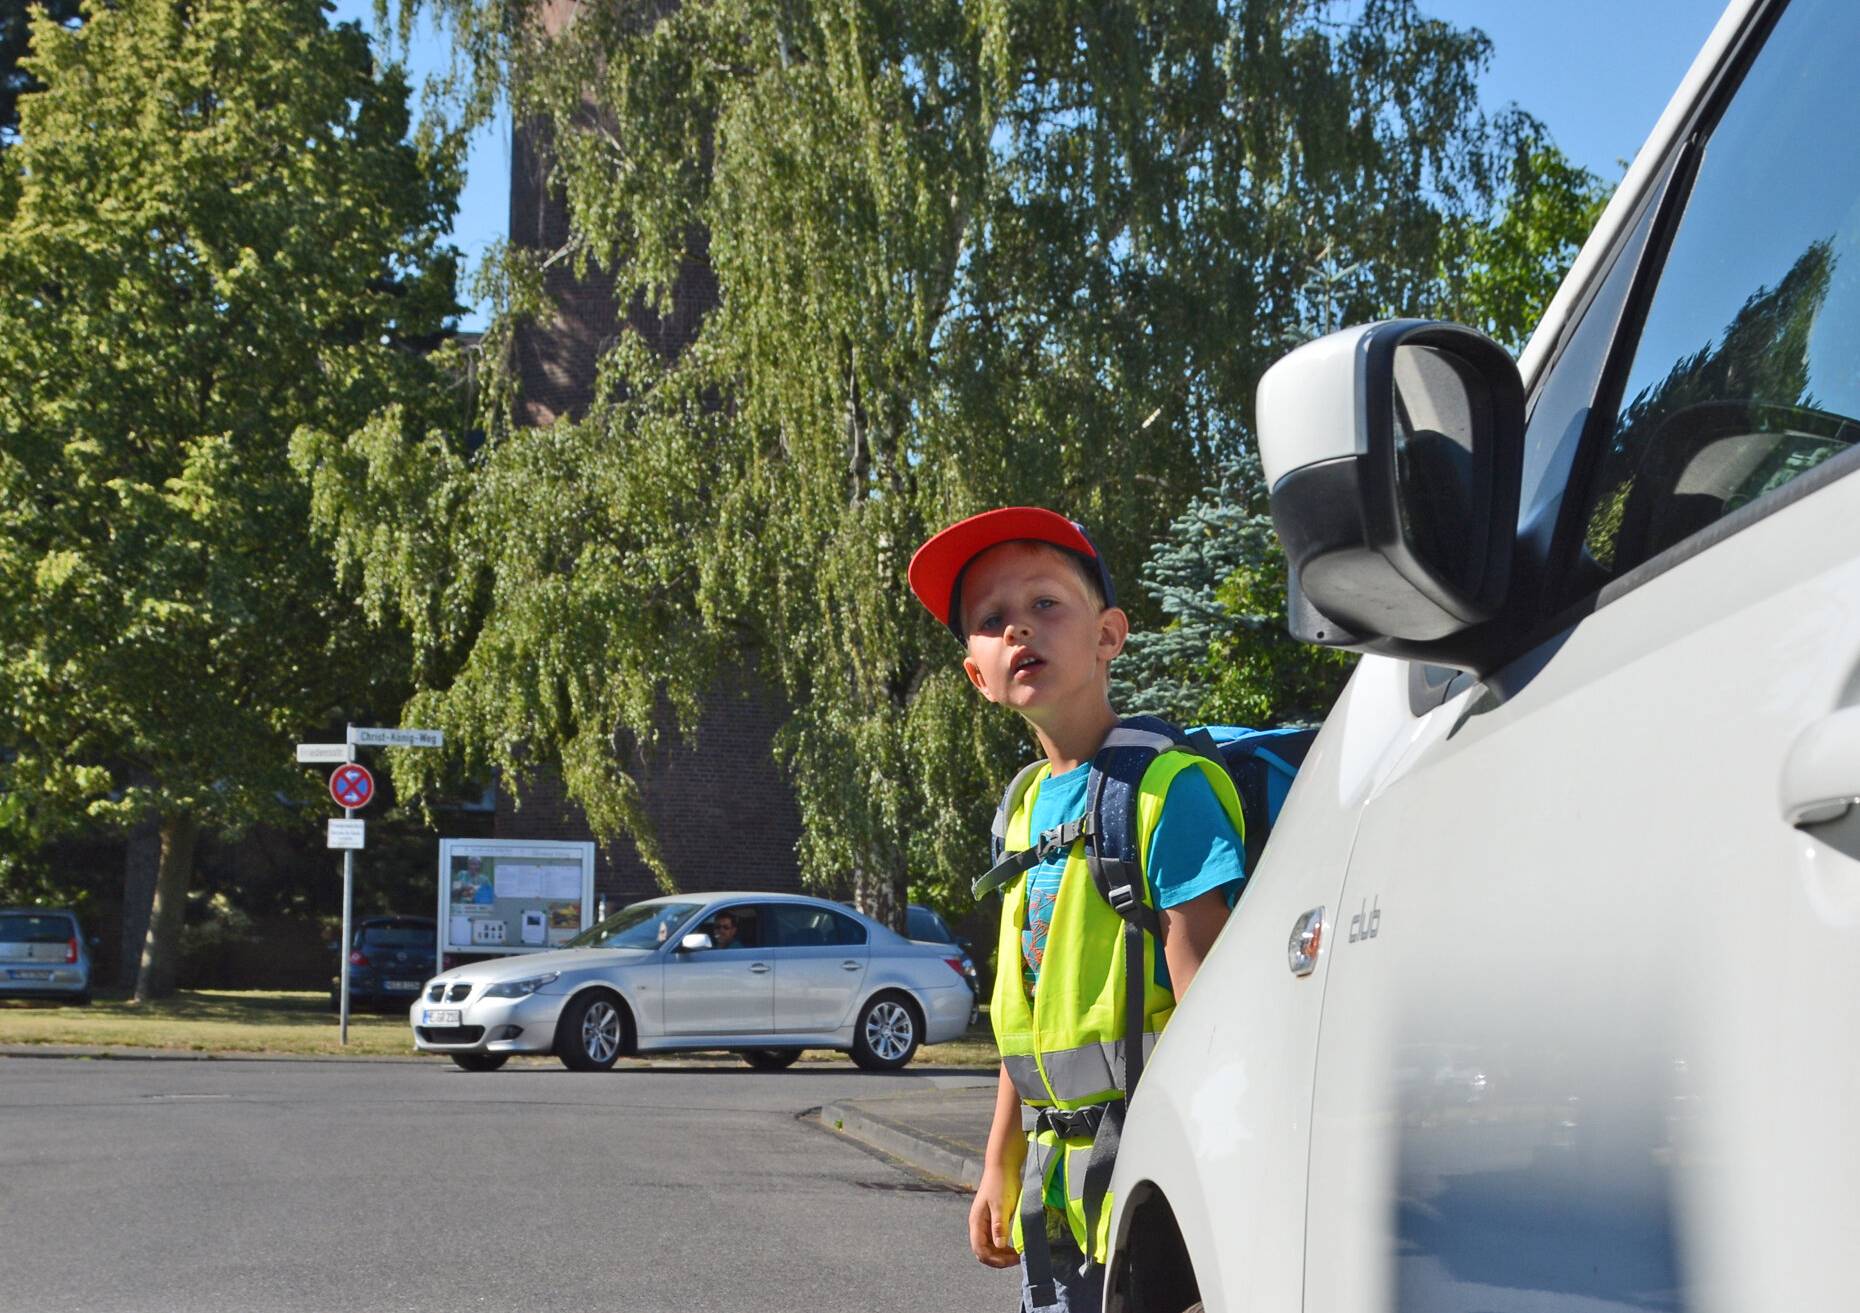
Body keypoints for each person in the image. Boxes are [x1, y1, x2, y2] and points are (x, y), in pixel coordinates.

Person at [907, 507, 1246, 1313]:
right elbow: (1025, 1026)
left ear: (1109, 634)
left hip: (1152, 1191)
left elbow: (1212, 1010)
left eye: (1045, 604)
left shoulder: (1166, 793)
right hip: (1057, 1200)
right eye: (992, 620)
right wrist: (999, 1160)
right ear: (978, 675)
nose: (1019, 627)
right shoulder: (1020, 816)